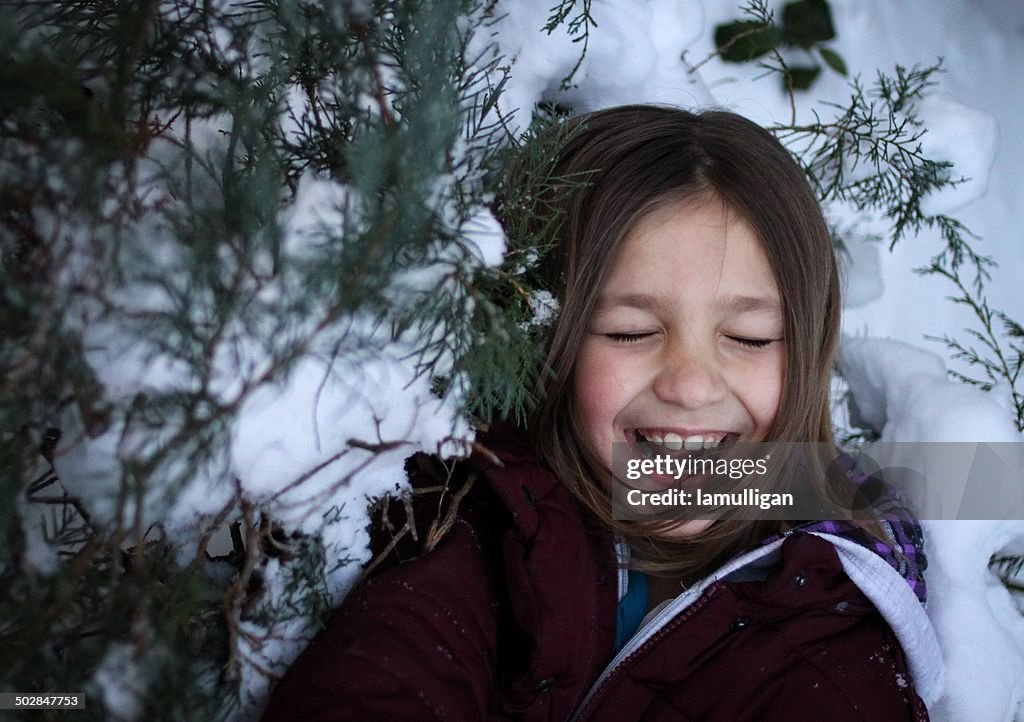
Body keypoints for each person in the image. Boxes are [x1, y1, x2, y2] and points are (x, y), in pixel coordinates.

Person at [261, 105, 943, 721]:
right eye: (629, 331)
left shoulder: (833, 629)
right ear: (544, 336)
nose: (691, 384)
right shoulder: (479, 522)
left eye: (749, 339)